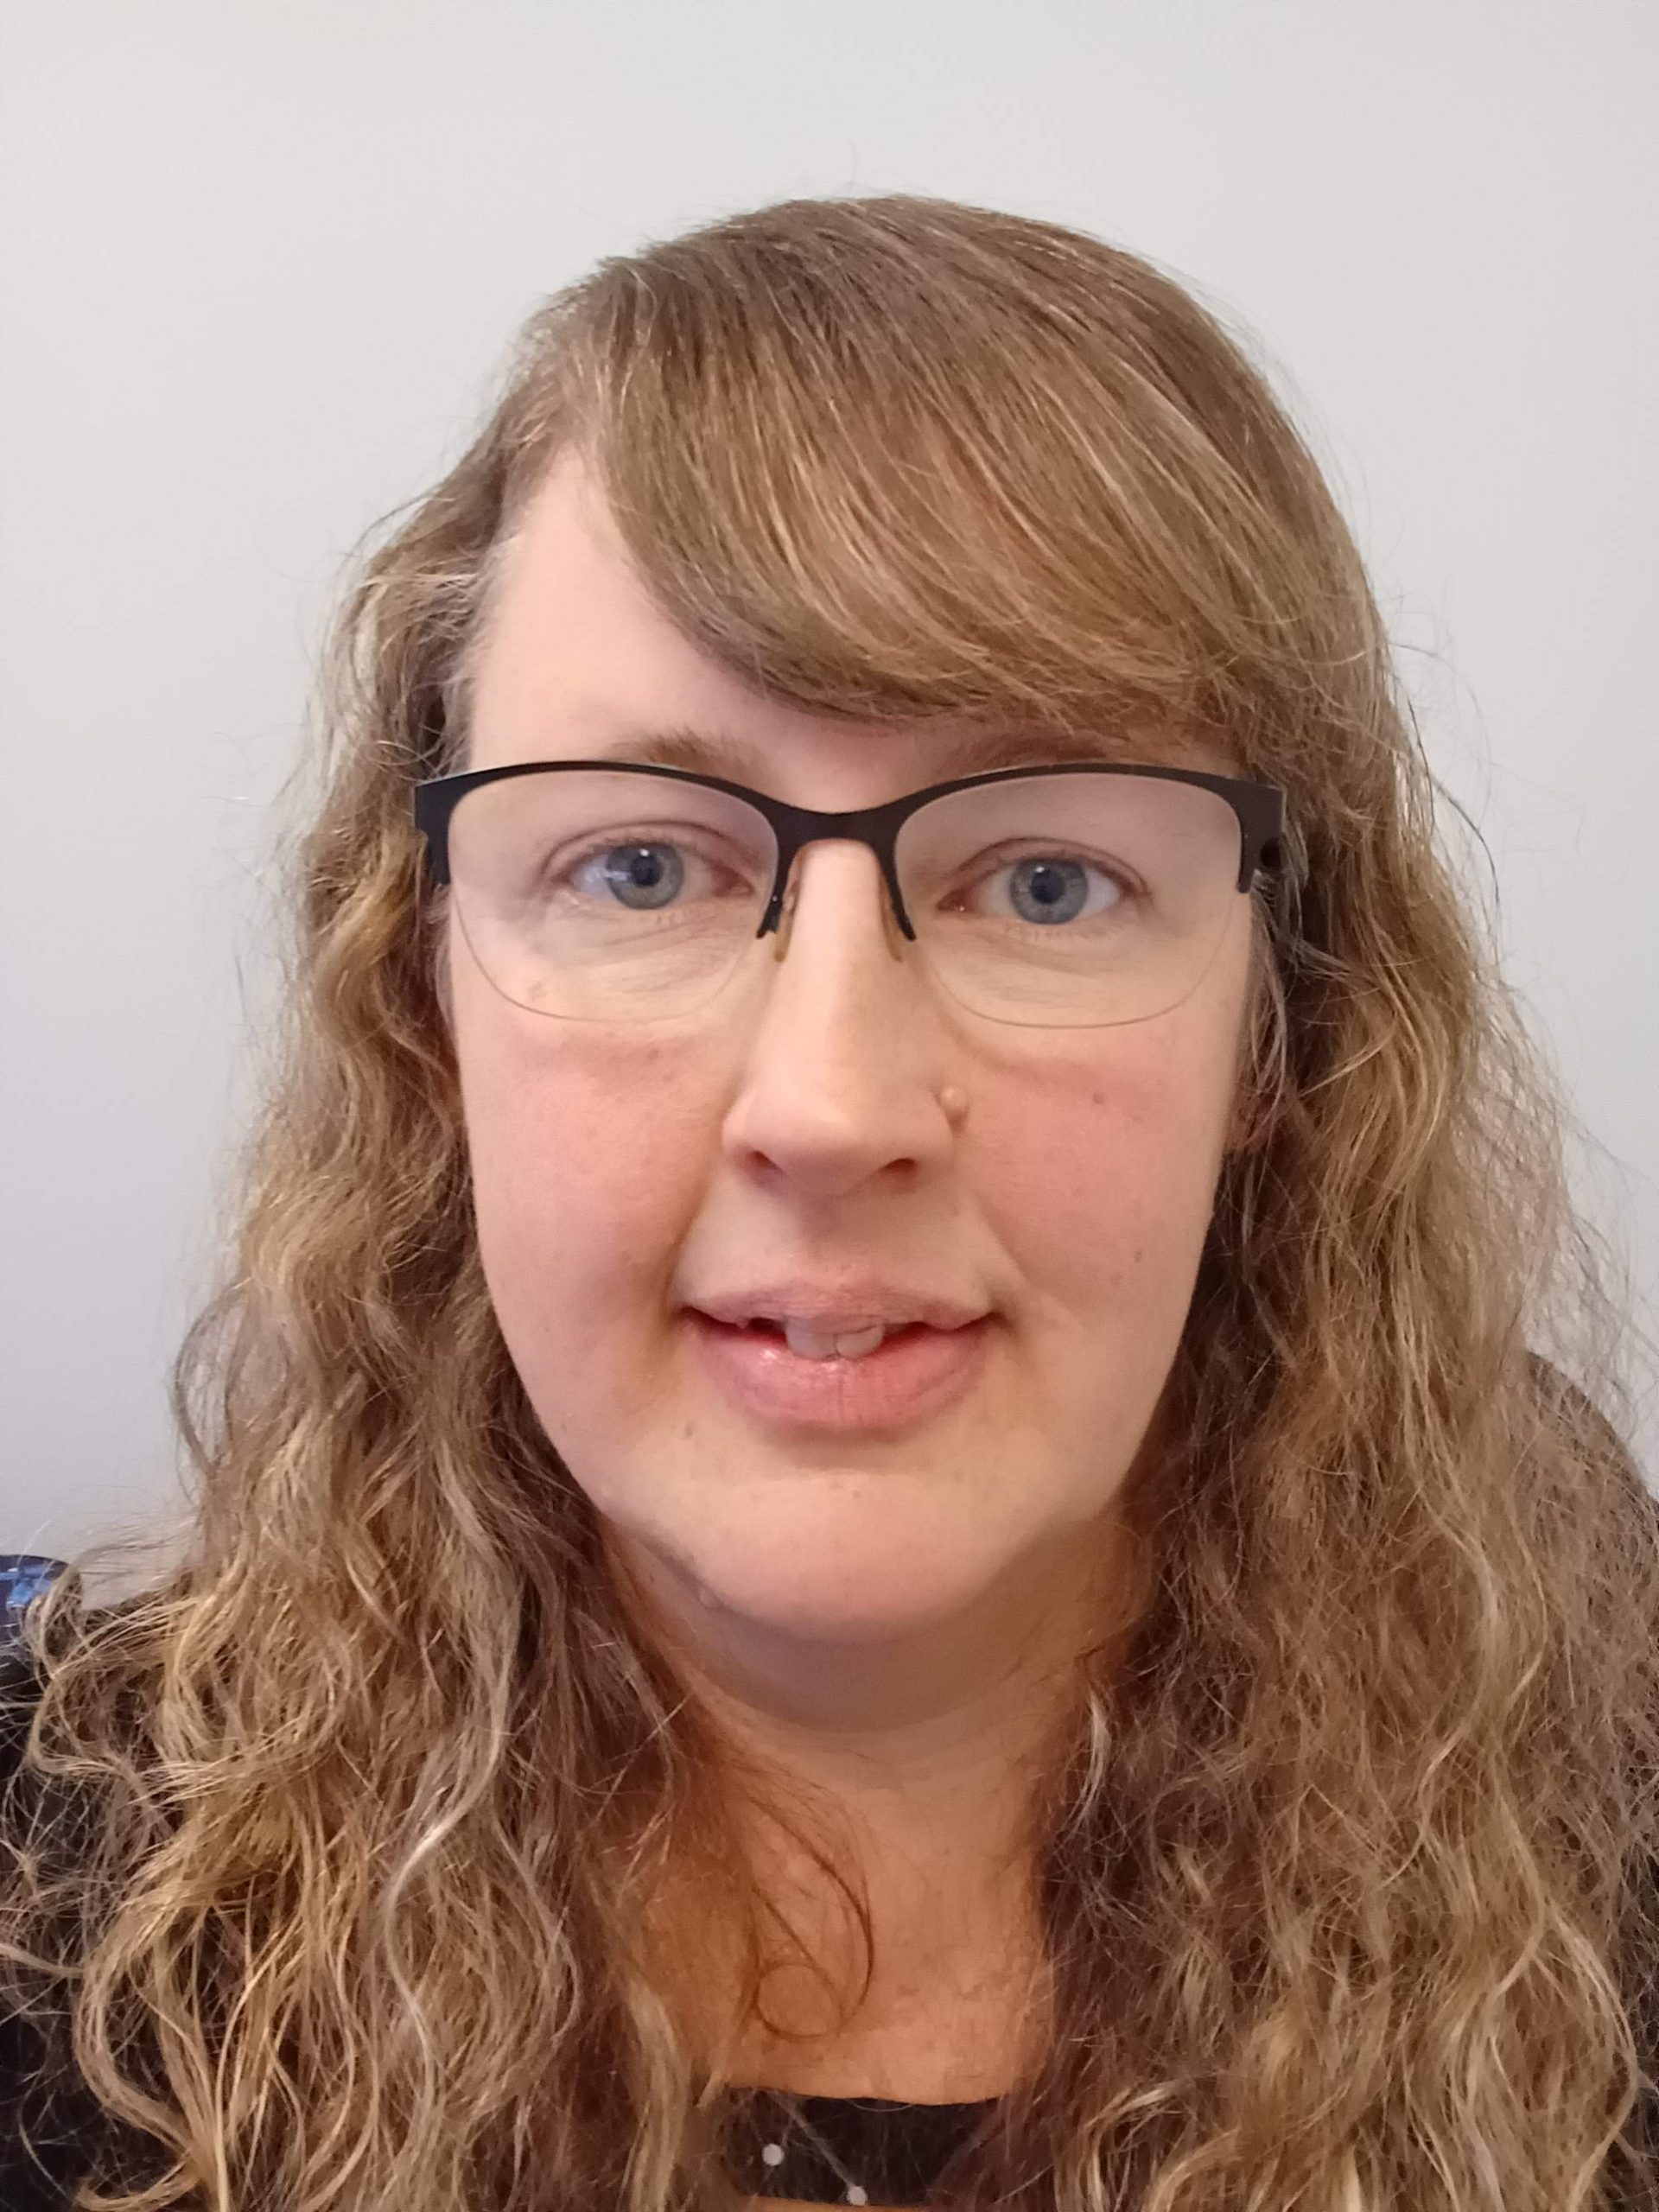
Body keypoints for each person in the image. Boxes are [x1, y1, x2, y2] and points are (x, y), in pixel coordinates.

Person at [2, 190, 1656, 2212]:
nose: (831, 1103)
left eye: (1046, 878)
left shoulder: (1612, 1846)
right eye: (639, 867)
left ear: (1281, 1033)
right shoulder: (52, 1908)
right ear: (423, 1003)